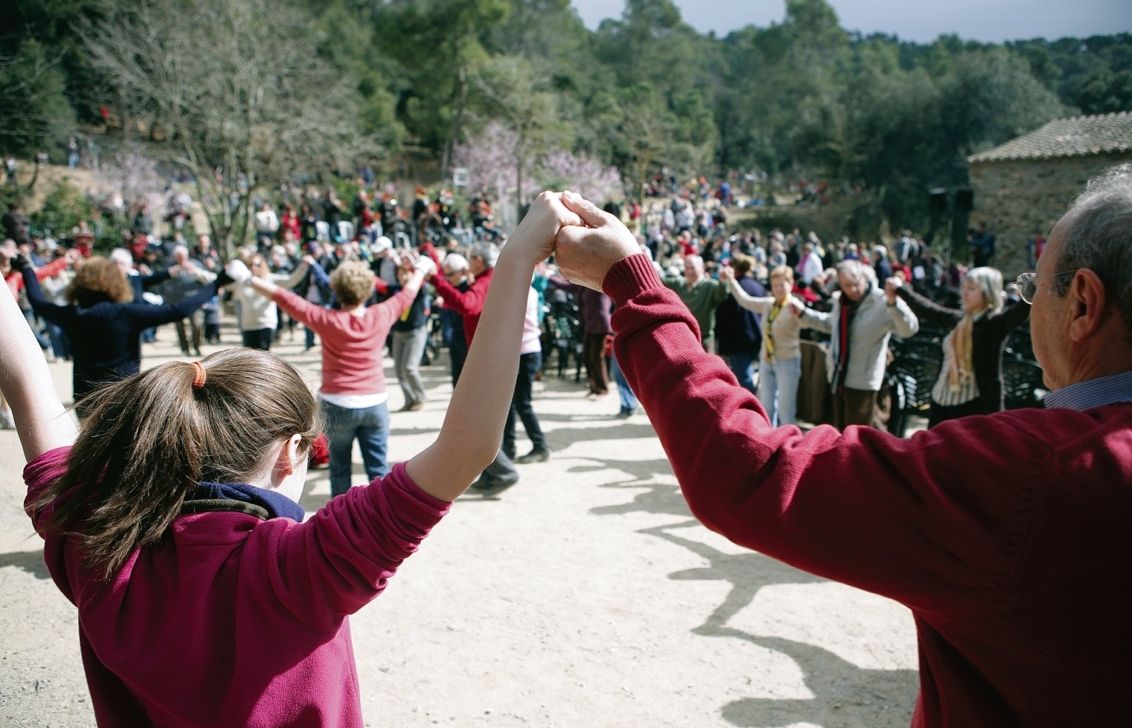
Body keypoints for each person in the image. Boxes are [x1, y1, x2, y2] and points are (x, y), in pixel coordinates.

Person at [551, 167, 1132, 726]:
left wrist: (633, 285)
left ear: (1082, 303)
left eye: (1034, 289)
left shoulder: (1032, 476)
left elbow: (753, 470)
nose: (1029, 306)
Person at [2, 191, 581, 728]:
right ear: (291, 452)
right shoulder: (300, 568)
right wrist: (517, 258)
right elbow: (471, 445)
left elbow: (29, 379)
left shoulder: (98, 547)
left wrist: (516, 258)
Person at [243, 259, 424, 498]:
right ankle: (381, 515)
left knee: (339, 468)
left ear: (336, 290)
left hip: (337, 403)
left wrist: (248, 279)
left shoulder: (326, 319)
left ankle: (343, 516)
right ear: (368, 289)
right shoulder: (381, 313)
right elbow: (408, 293)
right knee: (378, 468)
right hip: (375, 402)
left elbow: (286, 298)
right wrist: (421, 268)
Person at [18, 255, 223, 408]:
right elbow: (178, 310)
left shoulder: (71, 315)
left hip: (85, 397)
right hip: (123, 395)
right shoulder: (127, 314)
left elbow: (38, 302)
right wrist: (216, 284)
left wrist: (26, 269)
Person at [428, 242, 520, 492]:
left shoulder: (484, 281)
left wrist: (436, 281)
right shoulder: (490, 278)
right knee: (483, 419)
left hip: (487, 358)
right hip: (492, 355)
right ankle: (492, 472)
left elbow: (467, 305)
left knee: (477, 421)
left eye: (471, 259)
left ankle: (503, 471)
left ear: (479, 260)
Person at [887, 268, 1030, 426]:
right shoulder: (958, 319)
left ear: (988, 292)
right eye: (964, 287)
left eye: (972, 288)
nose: (964, 293)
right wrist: (901, 289)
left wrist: (1036, 282)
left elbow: (1022, 310)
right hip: (940, 399)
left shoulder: (994, 324)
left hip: (972, 406)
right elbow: (927, 308)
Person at [799, 259, 919, 429]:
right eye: (846, 285)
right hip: (838, 377)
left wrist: (894, 304)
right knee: (840, 433)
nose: (852, 290)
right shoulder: (841, 301)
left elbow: (909, 329)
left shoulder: (882, 301)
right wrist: (803, 314)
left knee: (858, 436)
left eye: (856, 284)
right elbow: (831, 324)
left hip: (863, 382)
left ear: (864, 278)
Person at [720, 264, 811, 426]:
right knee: (767, 407)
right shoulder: (769, 304)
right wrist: (732, 281)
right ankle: (769, 438)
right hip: (767, 359)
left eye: (782, 284)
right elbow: (745, 301)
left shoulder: (795, 307)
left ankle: (788, 440)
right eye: (775, 285)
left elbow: (812, 321)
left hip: (787, 361)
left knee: (786, 410)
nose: (778, 289)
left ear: (790, 284)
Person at [713, 254, 765, 393]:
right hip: (756, 337)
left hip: (738, 340)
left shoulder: (734, 288)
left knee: (743, 379)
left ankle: (751, 405)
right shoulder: (758, 286)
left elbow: (724, 313)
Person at [658, 254, 730, 351]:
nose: (689, 272)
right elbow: (658, 281)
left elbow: (721, 295)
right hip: (682, 338)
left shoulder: (710, 285)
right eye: (687, 268)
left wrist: (724, 281)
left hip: (703, 340)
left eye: (692, 268)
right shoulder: (678, 283)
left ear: (701, 268)